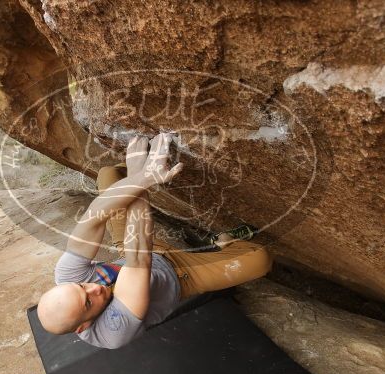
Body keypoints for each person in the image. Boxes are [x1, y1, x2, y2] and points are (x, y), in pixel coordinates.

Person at [37, 133, 272, 349]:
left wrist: (142, 175)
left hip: (132, 250)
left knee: (108, 175)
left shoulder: (66, 277)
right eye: (88, 302)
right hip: (179, 277)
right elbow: (138, 258)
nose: (94, 289)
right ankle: (224, 242)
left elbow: (93, 219)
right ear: (82, 327)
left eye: (82, 286)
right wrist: (143, 172)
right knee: (260, 259)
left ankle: (140, 172)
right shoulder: (112, 332)